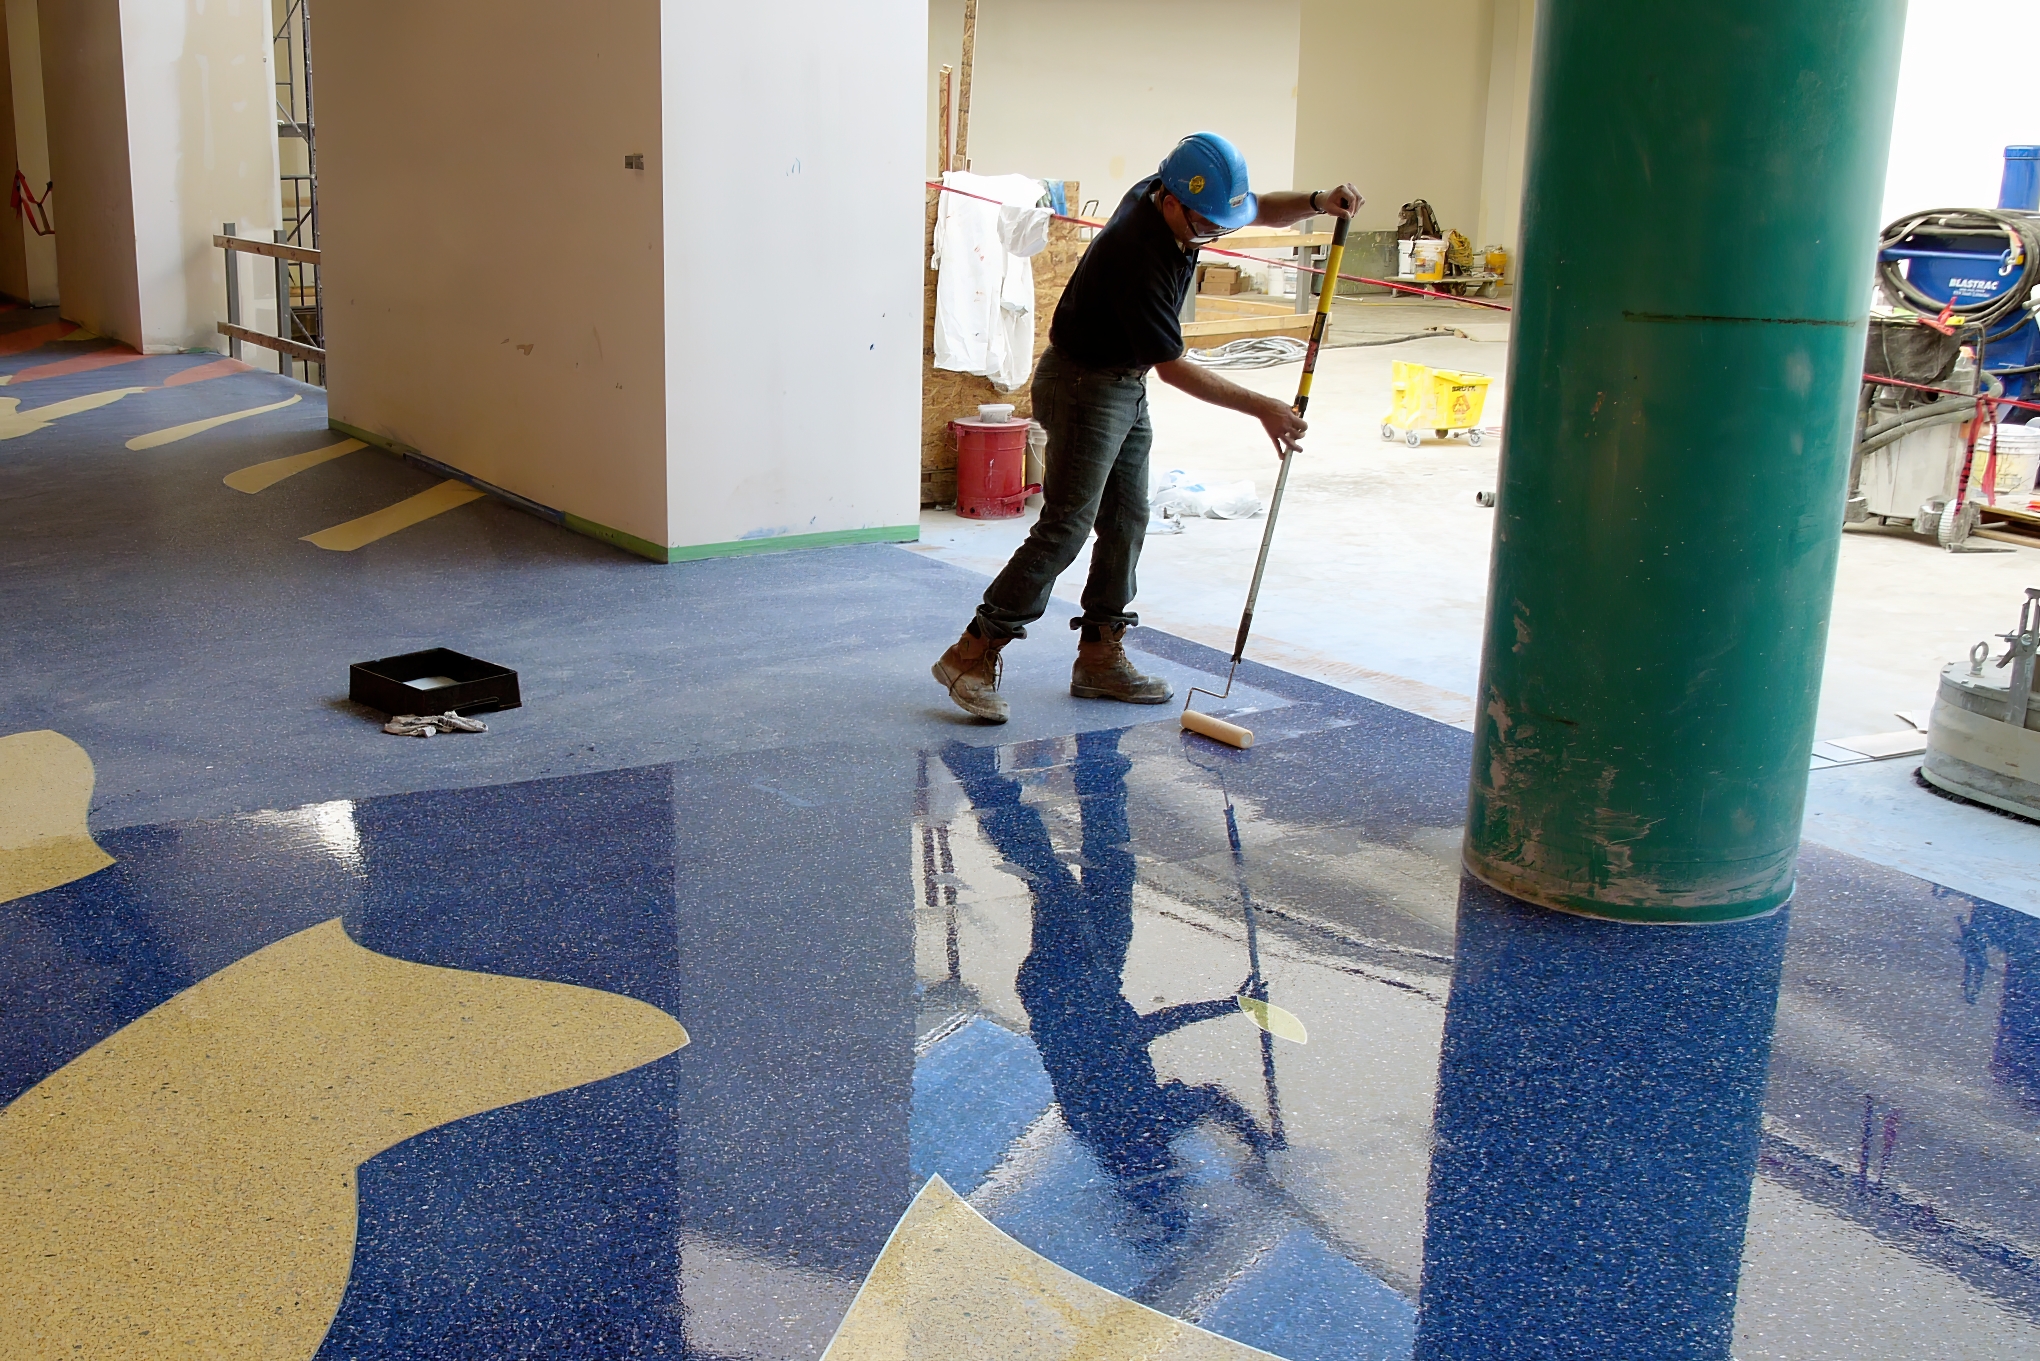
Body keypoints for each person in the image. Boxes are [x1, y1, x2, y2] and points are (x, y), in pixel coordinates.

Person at [931, 131, 1362, 722]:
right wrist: (1264, 406)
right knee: (1066, 526)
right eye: (1206, 225)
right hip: (1084, 384)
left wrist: (1317, 202)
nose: (1214, 235)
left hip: (1120, 380)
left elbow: (1256, 206)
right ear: (1172, 202)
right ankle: (971, 653)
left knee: (1128, 519)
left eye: (1221, 223)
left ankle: (1099, 657)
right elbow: (1175, 369)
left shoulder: (1176, 194)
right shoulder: (1138, 254)